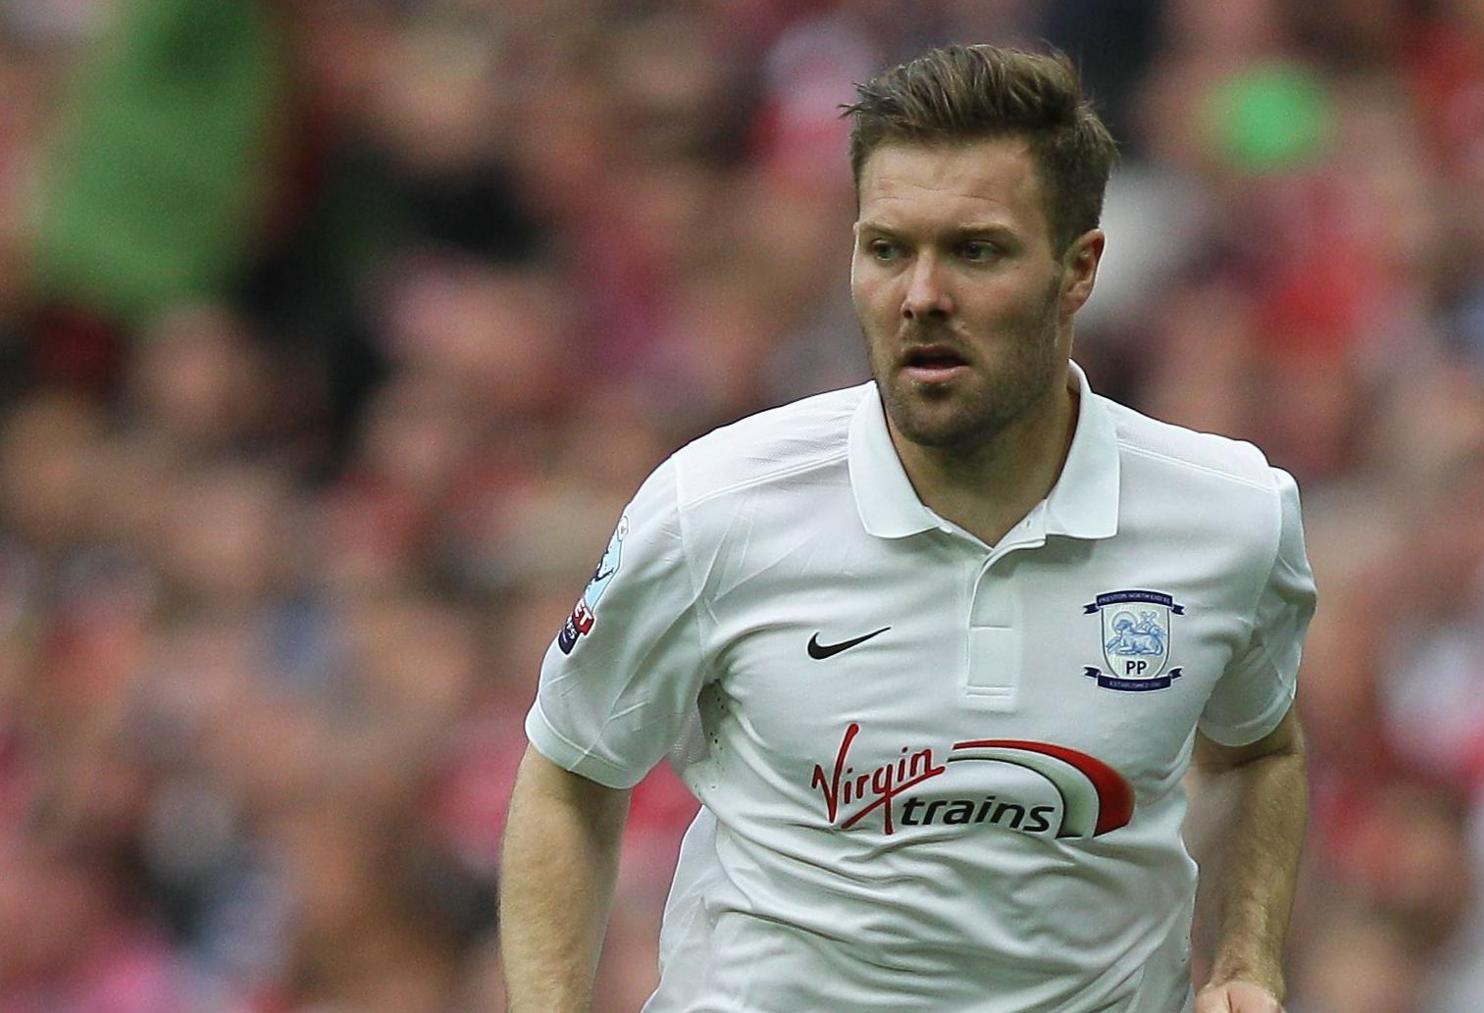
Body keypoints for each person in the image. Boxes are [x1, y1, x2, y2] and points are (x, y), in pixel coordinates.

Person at [498, 45, 1315, 1013]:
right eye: (887, 248)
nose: (921, 295)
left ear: (1079, 269)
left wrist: (1244, 958)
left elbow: (1258, 750)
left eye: (976, 250)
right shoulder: (713, 505)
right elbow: (569, 770)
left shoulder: (1231, 515)